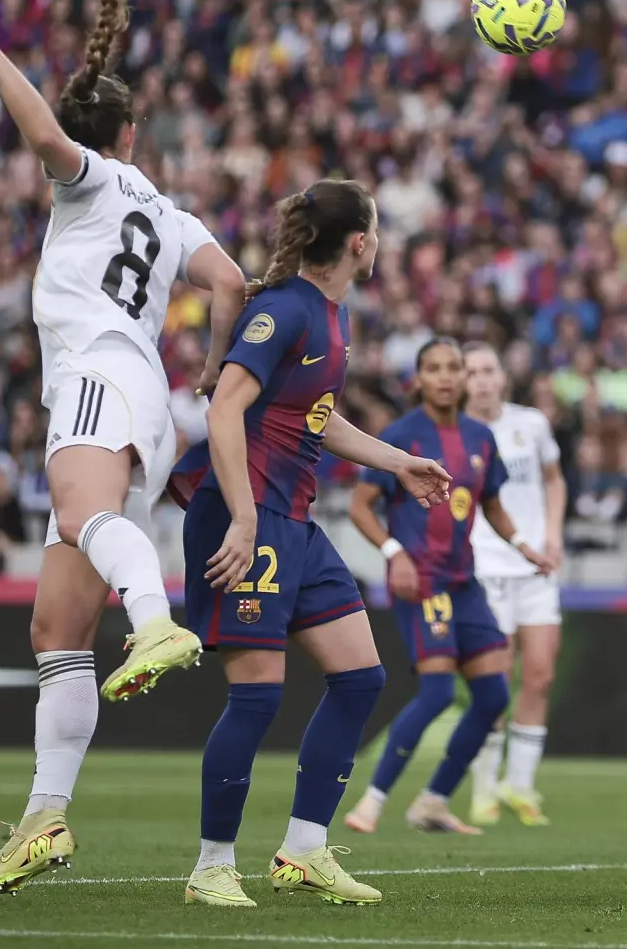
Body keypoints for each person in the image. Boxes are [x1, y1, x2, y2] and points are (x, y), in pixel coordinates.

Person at [0, 0, 248, 901]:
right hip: (146, 393)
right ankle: (45, 816)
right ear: (132, 126)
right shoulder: (168, 207)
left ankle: (154, 624)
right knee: (56, 628)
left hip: (97, 377)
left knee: (82, 520)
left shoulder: (92, 183)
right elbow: (231, 282)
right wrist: (209, 363)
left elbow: (40, 133)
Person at [171, 180, 452, 907]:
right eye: (379, 229)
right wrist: (240, 519)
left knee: (361, 677)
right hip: (249, 514)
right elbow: (226, 409)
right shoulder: (284, 312)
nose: (382, 239)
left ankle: (304, 850)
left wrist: (396, 460)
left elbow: (312, 418)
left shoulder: (333, 314)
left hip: (293, 517)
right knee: (258, 696)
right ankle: (211, 865)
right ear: (359, 242)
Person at [341, 338, 554, 837]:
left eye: (452, 368)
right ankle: (373, 801)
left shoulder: (480, 438)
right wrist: (394, 554)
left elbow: (494, 506)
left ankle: (433, 801)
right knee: (436, 693)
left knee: (493, 696)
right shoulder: (400, 436)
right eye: (433, 368)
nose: (444, 376)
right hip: (423, 582)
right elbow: (359, 505)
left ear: (463, 377)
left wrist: (524, 546)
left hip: (465, 582)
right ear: (417, 378)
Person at [455, 342, 568, 828]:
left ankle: (520, 786)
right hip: (485, 567)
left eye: (487, 369)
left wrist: (554, 533)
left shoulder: (532, 425)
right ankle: (484, 789)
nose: (480, 379)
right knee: (493, 682)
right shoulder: (457, 434)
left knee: (540, 675)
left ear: (503, 376)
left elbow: (554, 478)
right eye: (472, 371)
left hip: (536, 566)